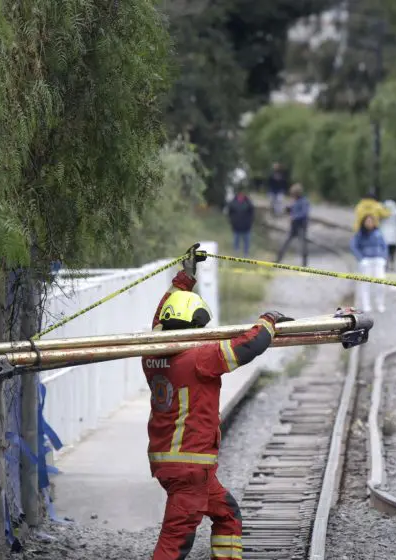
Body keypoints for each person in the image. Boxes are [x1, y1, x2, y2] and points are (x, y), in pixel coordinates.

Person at [144, 244, 291, 560]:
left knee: (227, 514)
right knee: (175, 541)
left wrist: (184, 280)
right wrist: (269, 320)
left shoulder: (150, 354)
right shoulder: (200, 357)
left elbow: (159, 320)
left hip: (173, 461)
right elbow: (248, 347)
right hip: (190, 465)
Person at [351, 214, 388, 312]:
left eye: (371, 221)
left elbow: (384, 246)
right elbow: (354, 246)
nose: (369, 223)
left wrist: (384, 257)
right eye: (367, 221)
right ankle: (366, 305)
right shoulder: (359, 234)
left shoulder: (378, 233)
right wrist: (361, 259)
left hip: (378, 261)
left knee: (381, 283)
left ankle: (380, 303)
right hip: (366, 261)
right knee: (365, 284)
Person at [275, 183, 310, 266]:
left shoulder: (304, 201)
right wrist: (287, 209)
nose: (292, 195)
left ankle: (304, 264)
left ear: (297, 193)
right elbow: (291, 210)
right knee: (285, 242)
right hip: (293, 226)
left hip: (301, 225)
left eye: (294, 194)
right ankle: (278, 259)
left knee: (303, 244)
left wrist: (294, 217)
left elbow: (304, 213)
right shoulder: (294, 201)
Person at [225, 189, 255, 257]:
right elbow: (229, 213)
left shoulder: (248, 203)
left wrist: (250, 222)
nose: (241, 195)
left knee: (247, 241)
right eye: (240, 194)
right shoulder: (233, 202)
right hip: (236, 226)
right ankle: (236, 252)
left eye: (242, 194)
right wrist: (232, 221)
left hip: (246, 226)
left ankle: (246, 253)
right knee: (236, 240)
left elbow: (252, 213)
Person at [380, 198, 396, 271]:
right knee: (392, 251)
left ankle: (386, 263)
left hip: (384, 234)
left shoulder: (383, 212)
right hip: (394, 235)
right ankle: (392, 263)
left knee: (385, 250)